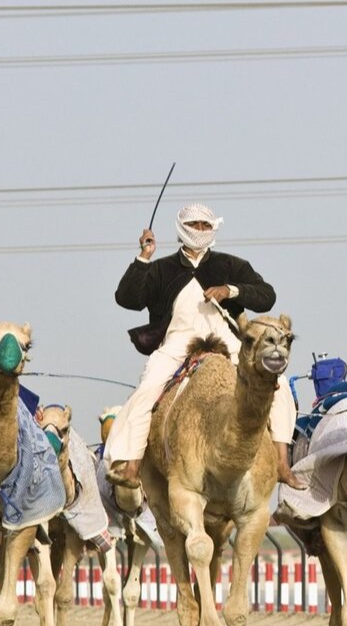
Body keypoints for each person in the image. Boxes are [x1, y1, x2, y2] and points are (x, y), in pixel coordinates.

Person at [107, 203, 302, 489]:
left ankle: (282, 463)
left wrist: (231, 290)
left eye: (205, 225)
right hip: (178, 344)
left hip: (229, 343)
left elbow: (266, 296)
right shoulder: (161, 269)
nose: (199, 230)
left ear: (214, 228)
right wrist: (144, 257)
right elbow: (127, 298)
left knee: (280, 384)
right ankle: (131, 464)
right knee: (148, 388)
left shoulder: (231, 266)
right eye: (194, 225)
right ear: (181, 228)